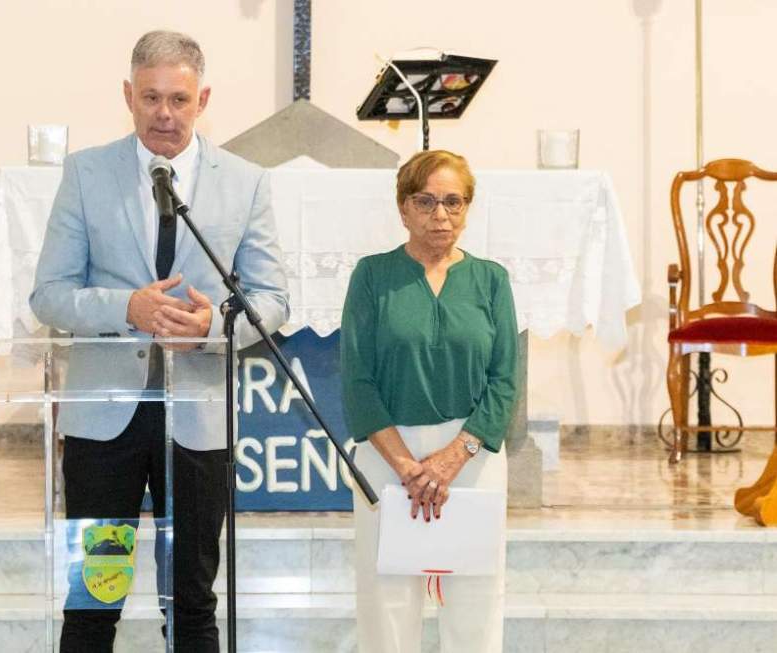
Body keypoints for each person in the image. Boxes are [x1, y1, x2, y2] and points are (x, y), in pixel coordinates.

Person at [30, 30, 289, 653]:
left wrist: (210, 326)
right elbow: (49, 294)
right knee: (94, 598)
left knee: (194, 604)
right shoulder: (87, 174)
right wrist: (128, 306)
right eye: (150, 98)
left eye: (178, 98)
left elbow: (272, 301)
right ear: (128, 95)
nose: (164, 114)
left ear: (203, 98)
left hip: (198, 425)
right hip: (103, 425)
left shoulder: (245, 181)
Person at [340, 150, 518, 653]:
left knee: (475, 600)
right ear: (403, 208)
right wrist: (406, 465)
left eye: (453, 202)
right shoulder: (373, 276)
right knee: (387, 603)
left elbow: (505, 378)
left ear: (467, 208)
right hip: (387, 456)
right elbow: (356, 378)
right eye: (426, 201)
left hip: (472, 456)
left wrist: (450, 458)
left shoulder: (491, 280)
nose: (441, 215)